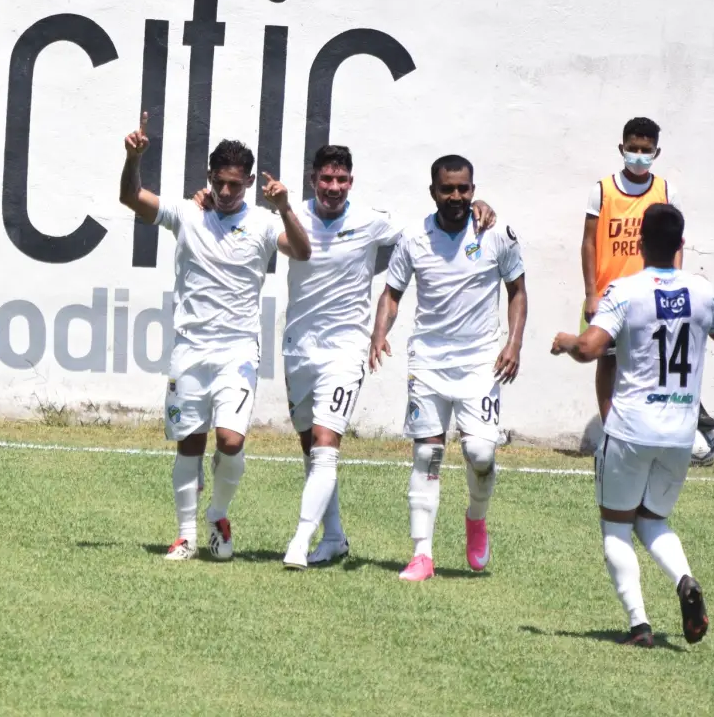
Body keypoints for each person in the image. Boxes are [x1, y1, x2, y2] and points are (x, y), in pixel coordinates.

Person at [193, 145, 496, 569]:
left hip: (345, 350)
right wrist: (202, 200)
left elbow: (431, 226)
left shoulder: (371, 221)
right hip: (298, 347)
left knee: (325, 443)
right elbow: (244, 218)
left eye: (341, 180)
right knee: (310, 447)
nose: (333, 188)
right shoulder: (290, 215)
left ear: (350, 182)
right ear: (313, 179)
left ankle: (299, 540)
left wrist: (475, 206)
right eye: (325, 179)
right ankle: (333, 536)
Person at [119, 111, 312, 561]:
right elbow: (131, 197)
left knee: (230, 440)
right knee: (191, 442)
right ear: (209, 177)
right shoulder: (188, 213)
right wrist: (132, 159)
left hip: (238, 352)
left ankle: (217, 515)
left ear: (247, 184)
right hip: (189, 349)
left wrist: (284, 206)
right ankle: (185, 535)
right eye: (220, 182)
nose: (226, 192)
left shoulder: (265, 223)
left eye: (236, 184)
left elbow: (302, 251)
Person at [553, 203, 714, 647]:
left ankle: (640, 625)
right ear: (681, 245)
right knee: (652, 518)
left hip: (630, 429)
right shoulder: (702, 291)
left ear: (639, 244)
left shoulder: (625, 291)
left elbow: (589, 349)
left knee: (617, 526)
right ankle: (684, 580)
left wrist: (566, 343)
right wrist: (712, 316)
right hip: (680, 433)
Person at [370, 154, 527, 582]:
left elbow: (517, 291)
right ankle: (422, 555)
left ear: (473, 189)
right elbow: (392, 291)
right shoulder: (414, 239)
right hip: (428, 361)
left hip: (481, 362)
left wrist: (513, 343)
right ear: (433, 191)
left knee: (479, 453)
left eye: (463, 188)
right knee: (428, 453)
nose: (456, 196)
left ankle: (476, 518)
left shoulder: (496, 234)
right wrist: (379, 332)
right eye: (447, 189)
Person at [581, 117, 714, 467]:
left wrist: (674, 280)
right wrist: (590, 293)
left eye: (647, 150)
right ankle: (610, 430)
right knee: (608, 361)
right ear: (622, 148)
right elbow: (588, 242)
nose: (639, 155)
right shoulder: (602, 190)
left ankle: (657, 434)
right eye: (634, 148)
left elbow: (675, 241)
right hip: (610, 292)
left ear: (656, 152)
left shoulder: (665, 190)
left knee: (652, 363)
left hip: (654, 293)